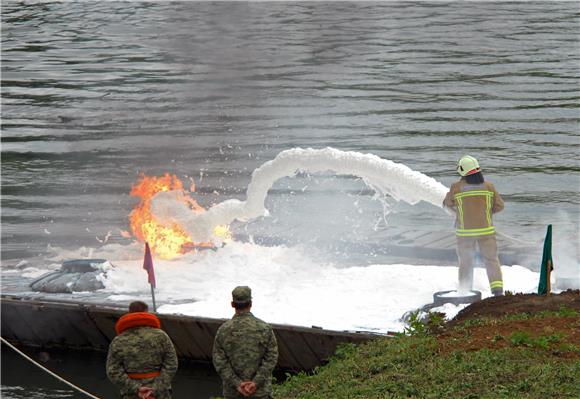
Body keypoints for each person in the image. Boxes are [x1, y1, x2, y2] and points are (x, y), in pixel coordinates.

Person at [443, 155, 505, 296]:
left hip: (465, 233)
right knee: (491, 260)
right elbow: (500, 206)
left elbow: (447, 204)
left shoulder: (456, 187)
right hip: (486, 231)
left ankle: (465, 291)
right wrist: (486, 214)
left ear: (463, 171)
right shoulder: (489, 186)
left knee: (466, 261)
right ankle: (497, 292)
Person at [212, 286, 278, 399]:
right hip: (260, 393)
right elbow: (271, 358)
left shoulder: (223, 330)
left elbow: (220, 362)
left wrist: (237, 384)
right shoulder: (265, 328)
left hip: (234, 393)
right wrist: (255, 383)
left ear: (232, 304)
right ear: (251, 303)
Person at [106, 301, 178, 399]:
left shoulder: (118, 340)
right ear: (146, 312)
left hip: (132, 395)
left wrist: (136, 388)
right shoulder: (161, 336)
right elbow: (172, 364)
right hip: (160, 394)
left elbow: (112, 371)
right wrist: (155, 388)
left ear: (129, 313)